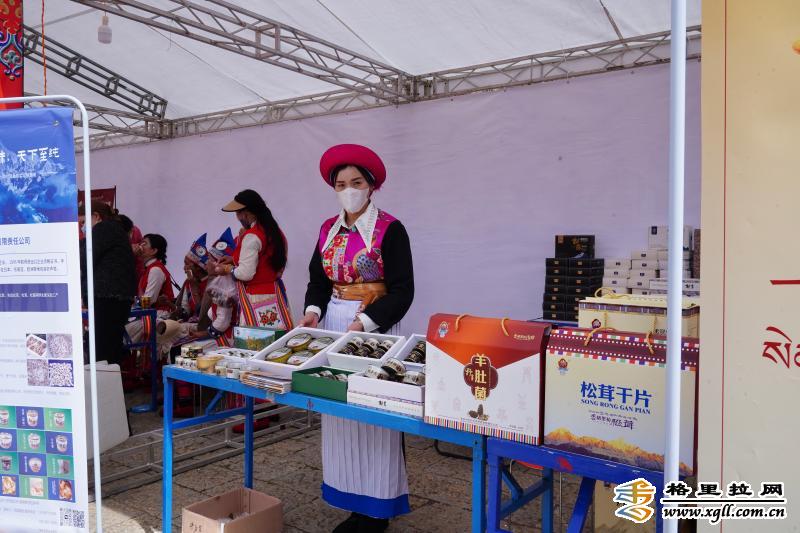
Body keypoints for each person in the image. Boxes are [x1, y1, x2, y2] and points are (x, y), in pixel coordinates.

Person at [298, 144, 414, 532]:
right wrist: (313, 311)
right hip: (334, 325)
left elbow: (402, 290)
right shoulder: (327, 231)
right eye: (341, 184)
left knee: (375, 415)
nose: (349, 190)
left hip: (374, 328)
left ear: (371, 186)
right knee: (341, 417)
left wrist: (364, 323)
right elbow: (318, 280)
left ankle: (378, 508)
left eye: (357, 182)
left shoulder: (390, 229)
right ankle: (352, 500)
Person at [209, 190, 292, 331]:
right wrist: (233, 259)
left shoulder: (252, 236)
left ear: (247, 213)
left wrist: (226, 269)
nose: (238, 218)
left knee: (256, 340)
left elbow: (245, 273)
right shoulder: (275, 232)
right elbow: (265, 259)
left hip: (256, 297)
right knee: (277, 337)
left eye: (238, 213)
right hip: (275, 292)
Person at [80, 201, 138, 365]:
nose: (82, 227)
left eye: (83, 222)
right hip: (116, 297)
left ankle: (103, 381)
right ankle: (109, 380)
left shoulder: (104, 228)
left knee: (102, 350)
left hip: (108, 296)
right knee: (109, 347)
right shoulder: (115, 230)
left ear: (96, 216)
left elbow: (85, 258)